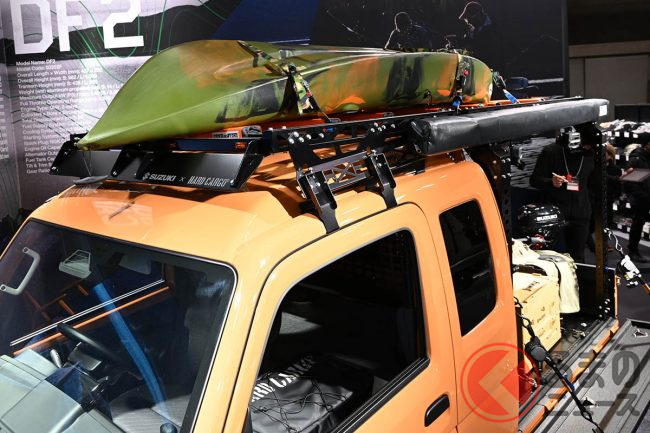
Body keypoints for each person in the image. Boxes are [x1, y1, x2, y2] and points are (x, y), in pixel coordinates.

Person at [530, 128, 594, 263]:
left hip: (581, 212)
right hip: (554, 212)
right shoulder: (551, 151)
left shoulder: (591, 154)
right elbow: (534, 180)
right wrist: (551, 182)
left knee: (578, 257)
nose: (587, 148)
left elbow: (594, 184)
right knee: (547, 256)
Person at [624, 140, 650, 262]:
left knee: (639, 223)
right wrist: (642, 195)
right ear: (647, 144)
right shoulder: (636, 159)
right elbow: (629, 181)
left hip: (646, 195)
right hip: (640, 198)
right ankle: (633, 251)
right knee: (638, 224)